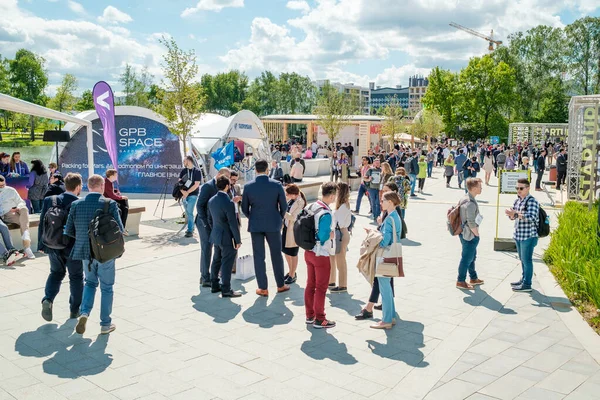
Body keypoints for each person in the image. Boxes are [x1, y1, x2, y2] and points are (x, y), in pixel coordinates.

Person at [66, 174, 124, 335]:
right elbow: (119, 228)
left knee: (90, 283)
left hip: (85, 252)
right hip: (106, 252)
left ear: (87, 186)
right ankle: (105, 324)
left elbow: (68, 230)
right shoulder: (109, 203)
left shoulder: (76, 204)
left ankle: (84, 313)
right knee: (107, 287)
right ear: (102, 185)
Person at [39, 173, 84, 321]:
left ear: (65, 185)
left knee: (56, 273)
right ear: (78, 187)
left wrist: (42, 245)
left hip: (52, 244)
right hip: (73, 248)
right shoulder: (79, 203)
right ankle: (74, 310)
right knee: (76, 277)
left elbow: (42, 224)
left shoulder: (49, 200)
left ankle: (48, 299)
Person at [242, 159, 290, 296]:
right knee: (276, 255)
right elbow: (284, 205)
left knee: (259, 256)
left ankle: (263, 287)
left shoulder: (248, 186)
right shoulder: (276, 185)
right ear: (267, 169)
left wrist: (252, 216)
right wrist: (279, 217)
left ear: (255, 170)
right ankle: (280, 284)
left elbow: (244, 207)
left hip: (256, 224)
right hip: (273, 223)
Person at [305, 182, 337, 329]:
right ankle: (320, 318)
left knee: (310, 285)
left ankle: (309, 315)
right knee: (321, 287)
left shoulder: (311, 206)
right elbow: (323, 235)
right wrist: (330, 234)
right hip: (320, 253)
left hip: (308, 251)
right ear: (331, 195)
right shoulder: (326, 212)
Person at [371, 191, 403, 329]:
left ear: (390, 202)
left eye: (383, 200)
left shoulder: (389, 218)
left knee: (384, 288)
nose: (381, 202)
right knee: (387, 287)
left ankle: (386, 320)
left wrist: (374, 235)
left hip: (385, 256)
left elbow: (385, 241)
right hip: (392, 255)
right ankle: (391, 317)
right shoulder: (395, 216)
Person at [207, 175, 243, 298]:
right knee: (227, 262)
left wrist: (215, 230)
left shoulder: (212, 200)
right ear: (227, 186)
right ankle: (226, 289)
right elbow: (233, 222)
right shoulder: (228, 202)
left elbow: (209, 219)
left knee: (216, 260)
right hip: (227, 237)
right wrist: (238, 240)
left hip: (216, 234)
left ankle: (214, 284)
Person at [197, 168, 231, 287]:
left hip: (216, 223)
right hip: (204, 223)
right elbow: (199, 206)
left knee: (217, 249)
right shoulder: (208, 186)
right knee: (207, 248)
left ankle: (213, 275)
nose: (228, 180)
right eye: (226, 177)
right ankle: (205, 276)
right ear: (219, 174)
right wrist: (206, 224)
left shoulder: (224, 187)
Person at [505, 178, 539, 292]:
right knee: (522, 259)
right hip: (518, 235)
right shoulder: (517, 200)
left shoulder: (532, 201)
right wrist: (510, 215)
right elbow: (514, 216)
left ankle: (527, 284)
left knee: (527, 260)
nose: (518, 190)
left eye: (521, 188)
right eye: (517, 188)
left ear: (528, 188)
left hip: (528, 236)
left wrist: (516, 214)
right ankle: (524, 279)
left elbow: (532, 217)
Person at [456, 178, 485, 290]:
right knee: (467, 258)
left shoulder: (465, 198)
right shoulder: (470, 203)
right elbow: (471, 222)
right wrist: (476, 234)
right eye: (479, 187)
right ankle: (460, 280)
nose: (481, 188)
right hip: (469, 235)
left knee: (471, 257)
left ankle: (473, 277)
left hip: (464, 233)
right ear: (473, 188)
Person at [0, 176, 35, 259]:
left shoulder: (10, 190)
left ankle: (26, 239)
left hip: (17, 210)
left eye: (3, 185)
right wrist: (9, 209)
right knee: (24, 222)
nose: (2, 187)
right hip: (6, 214)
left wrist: (18, 207)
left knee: (24, 209)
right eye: (0, 186)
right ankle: (27, 246)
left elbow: (21, 201)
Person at [329, 182, 352, 293]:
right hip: (339, 233)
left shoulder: (343, 206)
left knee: (340, 260)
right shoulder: (342, 205)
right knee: (333, 257)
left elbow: (339, 222)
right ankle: (331, 281)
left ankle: (343, 285)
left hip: (341, 233)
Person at [282, 184, 306, 285]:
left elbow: (294, 217)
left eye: (288, 194)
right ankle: (291, 271)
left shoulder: (300, 202)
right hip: (286, 229)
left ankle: (292, 274)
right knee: (286, 251)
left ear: (293, 194)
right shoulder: (291, 200)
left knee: (293, 253)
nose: (286, 195)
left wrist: (282, 212)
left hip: (294, 230)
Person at [179, 156, 203, 238]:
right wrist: (183, 192)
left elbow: (196, 184)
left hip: (193, 195)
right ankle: (191, 228)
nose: (183, 162)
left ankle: (190, 230)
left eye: (184, 160)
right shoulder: (183, 171)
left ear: (189, 160)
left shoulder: (197, 171)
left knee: (189, 212)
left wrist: (187, 192)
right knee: (188, 212)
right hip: (184, 195)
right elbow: (179, 183)